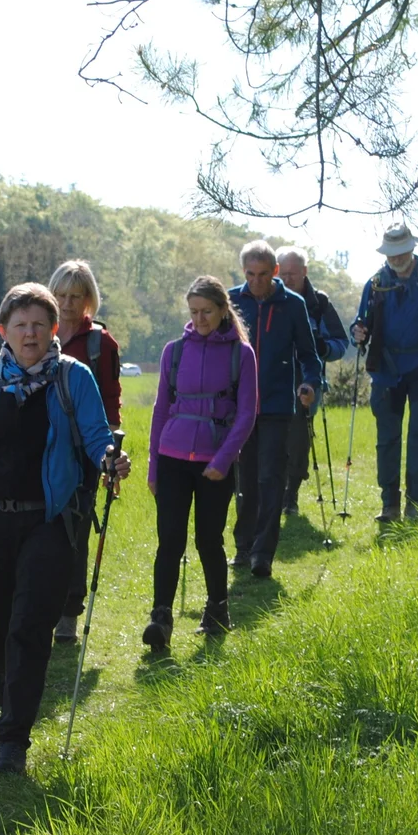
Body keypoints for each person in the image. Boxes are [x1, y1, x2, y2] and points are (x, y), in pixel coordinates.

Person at [0, 284, 129, 775]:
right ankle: (6, 680)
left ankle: (13, 737)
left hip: (49, 521)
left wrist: (109, 461)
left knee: (30, 627)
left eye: (40, 324)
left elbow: (99, 437)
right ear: (4, 331)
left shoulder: (73, 378)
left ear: (55, 329)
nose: (30, 333)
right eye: (21, 325)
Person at [143, 276, 259, 648]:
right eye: (194, 312)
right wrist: (153, 467)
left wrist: (224, 460)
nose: (200, 318)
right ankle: (160, 616)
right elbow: (161, 410)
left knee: (209, 540)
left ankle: (217, 609)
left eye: (207, 311)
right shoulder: (173, 351)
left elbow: (247, 415)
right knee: (169, 541)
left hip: (215, 463)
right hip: (172, 457)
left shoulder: (242, 355)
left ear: (224, 309)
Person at [351, 222, 418, 523]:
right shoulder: (375, 283)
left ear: (412, 248)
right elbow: (361, 323)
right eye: (392, 253)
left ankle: (415, 504)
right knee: (387, 438)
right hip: (386, 371)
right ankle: (389, 505)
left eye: (401, 252)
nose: (396, 258)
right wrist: (357, 333)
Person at [228, 241, 322, 577]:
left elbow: (310, 356)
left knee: (271, 478)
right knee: (245, 480)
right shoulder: (231, 301)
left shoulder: (292, 305)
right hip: (239, 407)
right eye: (250, 275)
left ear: (275, 272)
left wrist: (310, 385)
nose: (256, 281)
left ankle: (262, 554)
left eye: (263, 275)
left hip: (278, 405)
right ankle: (243, 546)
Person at [49, 259, 121, 644]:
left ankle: (68, 613)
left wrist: (108, 453)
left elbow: (111, 399)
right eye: (60, 295)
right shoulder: (39, 332)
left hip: (85, 452)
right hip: (43, 447)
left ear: (88, 298)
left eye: (75, 296)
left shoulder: (101, 344)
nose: (67, 303)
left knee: (75, 531)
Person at [275, 247, 350, 516]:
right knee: (272, 438)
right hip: (273, 378)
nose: (288, 279)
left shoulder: (319, 303)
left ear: (305, 272)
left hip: (307, 379)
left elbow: (342, 343)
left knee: (298, 439)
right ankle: (272, 493)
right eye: (283, 274)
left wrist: (323, 349)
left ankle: (290, 494)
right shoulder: (268, 298)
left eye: (293, 273)